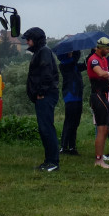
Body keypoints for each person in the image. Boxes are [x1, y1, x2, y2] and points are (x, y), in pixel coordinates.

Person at [23, 27, 60, 172]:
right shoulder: (41, 51)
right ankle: (49, 160)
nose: (27, 42)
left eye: (29, 39)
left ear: (36, 39)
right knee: (44, 128)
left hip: (45, 95)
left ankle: (53, 162)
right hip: (44, 95)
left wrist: (41, 92)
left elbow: (46, 73)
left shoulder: (43, 51)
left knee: (47, 129)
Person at [87, 36, 109, 169]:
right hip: (98, 96)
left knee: (106, 128)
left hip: (105, 95)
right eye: (107, 48)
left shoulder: (103, 59)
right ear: (100, 48)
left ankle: (100, 159)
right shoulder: (93, 60)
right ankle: (98, 160)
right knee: (101, 129)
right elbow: (101, 74)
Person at [59, 51, 84, 156]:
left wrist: (92, 53)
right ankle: (64, 146)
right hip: (70, 97)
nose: (71, 54)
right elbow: (75, 59)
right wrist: (76, 50)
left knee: (75, 122)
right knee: (69, 122)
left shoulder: (73, 65)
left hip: (78, 97)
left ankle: (72, 146)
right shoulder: (65, 64)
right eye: (69, 52)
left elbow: (84, 65)